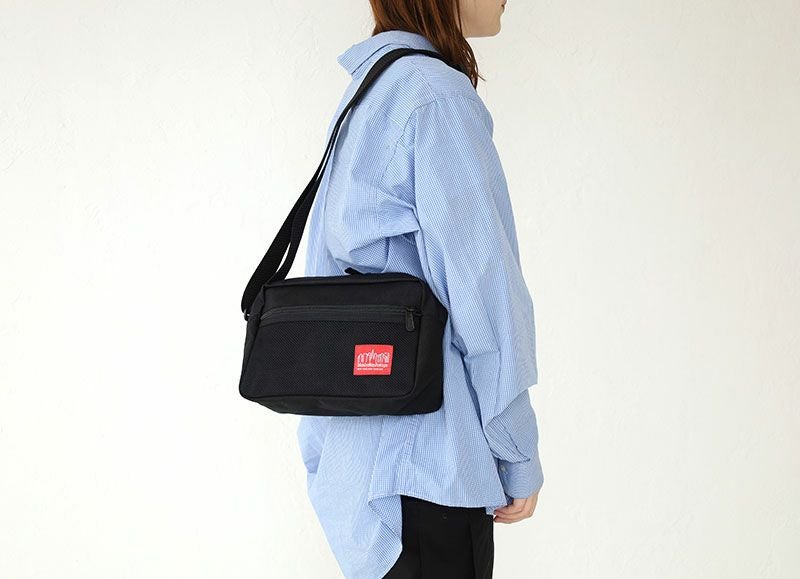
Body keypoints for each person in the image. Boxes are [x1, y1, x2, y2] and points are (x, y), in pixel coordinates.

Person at [297, 2, 543, 577]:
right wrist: (516, 450)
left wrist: (319, 451)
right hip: (428, 471)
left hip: (362, 477)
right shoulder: (434, 97)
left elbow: (321, 278)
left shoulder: (370, 90)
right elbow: (485, 290)